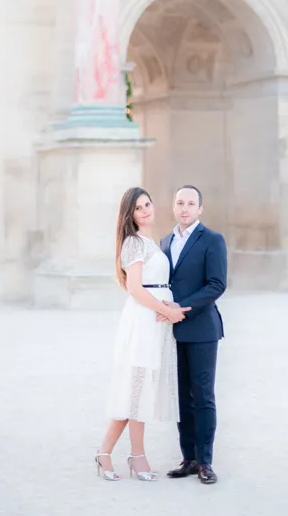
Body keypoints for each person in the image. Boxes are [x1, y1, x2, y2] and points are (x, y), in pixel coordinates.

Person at [95, 187, 190, 482]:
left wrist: (169, 308)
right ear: (130, 214)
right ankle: (130, 456)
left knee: (140, 389)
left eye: (147, 204)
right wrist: (167, 311)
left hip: (155, 320)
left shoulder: (150, 242)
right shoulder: (134, 243)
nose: (145, 210)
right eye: (138, 208)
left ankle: (112, 454)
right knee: (137, 388)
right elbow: (135, 288)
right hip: (143, 320)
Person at [160, 185, 228, 485]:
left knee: (203, 397)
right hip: (172, 330)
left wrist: (183, 307)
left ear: (200, 209)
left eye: (190, 203)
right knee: (181, 398)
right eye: (180, 202)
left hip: (201, 329)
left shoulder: (212, 239)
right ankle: (188, 458)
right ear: (174, 207)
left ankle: (205, 462)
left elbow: (217, 284)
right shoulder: (165, 241)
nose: (184, 208)